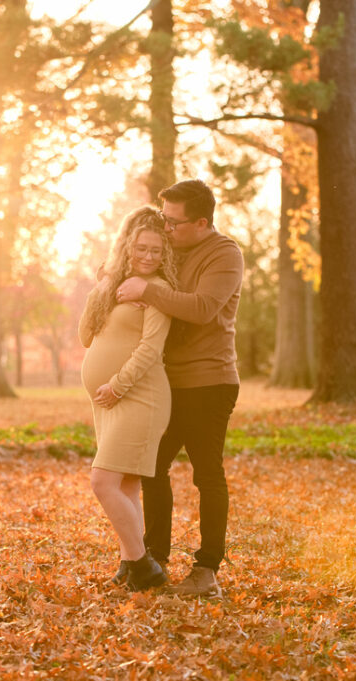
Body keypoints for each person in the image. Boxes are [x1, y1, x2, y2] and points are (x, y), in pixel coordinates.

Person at [114, 179, 243, 598]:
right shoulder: (171, 250)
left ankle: (206, 571)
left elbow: (204, 309)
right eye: (163, 220)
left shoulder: (224, 254)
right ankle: (152, 559)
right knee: (150, 468)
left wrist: (147, 291)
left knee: (207, 475)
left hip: (209, 382)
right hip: (167, 380)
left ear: (201, 222)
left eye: (173, 222)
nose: (165, 228)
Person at [79, 206, 179, 592]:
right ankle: (129, 562)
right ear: (127, 246)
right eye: (142, 248)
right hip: (108, 402)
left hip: (140, 397)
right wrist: (103, 288)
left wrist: (117, 385)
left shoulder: (158, 292)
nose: (150, 256)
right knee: (124, 488)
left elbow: (150, 349)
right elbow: (86, 336)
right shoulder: (114, 287)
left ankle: (144, 565)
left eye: (157, 250)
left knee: (102, 481)